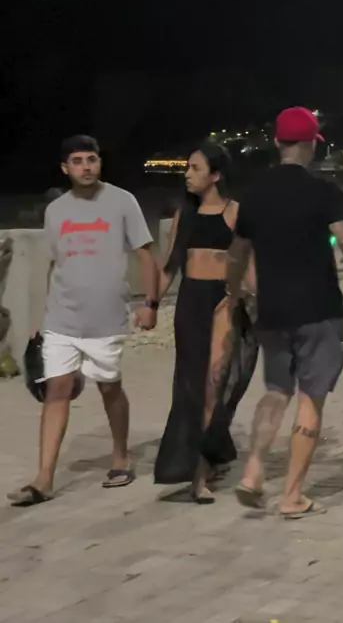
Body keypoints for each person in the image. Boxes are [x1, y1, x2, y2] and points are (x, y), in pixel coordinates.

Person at [227, 107, 343, 519]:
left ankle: (253, 471)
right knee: (310, 398)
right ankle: (292, 496)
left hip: (272, 311)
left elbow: (236, 254)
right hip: (318, 310)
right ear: (311, 144)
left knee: (276, 390)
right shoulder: (325, 192)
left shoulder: (253, 194)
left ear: (277, 142)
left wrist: (233, 292)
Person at [8, 135, 158, 506]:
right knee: (56, 389)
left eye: (91, 159)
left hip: (106, 317)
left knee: (109, 387)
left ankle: (121, 456)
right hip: (62, 317)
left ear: (99, 162)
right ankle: (43, 479)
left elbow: (145, 254)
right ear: (65, 168)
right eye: (77, 161)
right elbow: (55, 264)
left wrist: (150, 303)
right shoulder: (55, 210)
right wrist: (43, 316)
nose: (86, 167)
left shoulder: (122, 201)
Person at [154, 142, 258, 503]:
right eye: (187, 167)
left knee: (214, 383)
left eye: (195, 168)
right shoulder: (184, 215)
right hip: (190, 302)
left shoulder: (235, 213)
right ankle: (206, 456)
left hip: (224, 301)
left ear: (215, 175)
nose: (187, 174)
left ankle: (200, 472)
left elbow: (250, 267)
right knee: (189, 385)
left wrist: (255, 302)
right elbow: (169, 266)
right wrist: (151, 304)